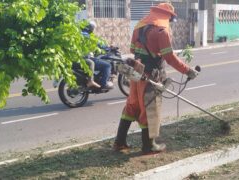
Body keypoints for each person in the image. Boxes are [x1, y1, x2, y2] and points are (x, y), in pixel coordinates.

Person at [113, 3, 198, 155]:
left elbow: (132, 49)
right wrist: (188, 71)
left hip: (136, 72)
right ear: (167, 16)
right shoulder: (162, 31)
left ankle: (119, 142)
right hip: (151, 75)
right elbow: (170, 58)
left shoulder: (139, 26)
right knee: (149, 108)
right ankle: (149, 146)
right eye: (171, 19)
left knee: (132, 105)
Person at [82, 21, 113, 89]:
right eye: (93, 28)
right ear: (90, 28)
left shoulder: (78, 34)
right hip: (85, 58)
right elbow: (99, 44)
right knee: (107, 65)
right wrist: (108, 47)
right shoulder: (87, 36)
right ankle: (104, 84)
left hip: (79, 58)